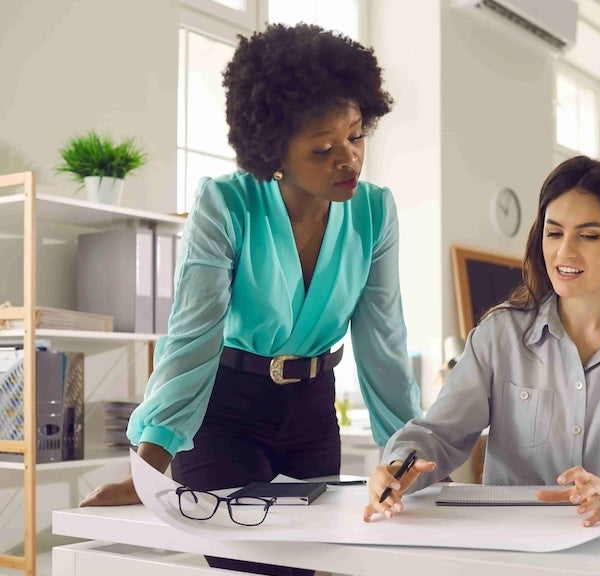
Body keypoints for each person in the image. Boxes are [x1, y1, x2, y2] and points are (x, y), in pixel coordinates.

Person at [80, 24, 422, 576]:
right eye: (323, 148)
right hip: (225, 411)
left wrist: (410, 454)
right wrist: (151, 469)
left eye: (356, 137)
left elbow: (383, 342)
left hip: (313, 411)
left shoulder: (375, 212)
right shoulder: (225, 205)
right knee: (252, 564)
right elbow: (193, 339)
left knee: (303, 563)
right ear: (273, 153)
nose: (349, 160)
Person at [364, 156, 600, 526]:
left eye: (589, 235)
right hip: (512, 545)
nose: (566, 252)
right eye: (554, 233)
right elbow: (440, 433)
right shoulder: (499, 335)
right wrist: (398, 466)